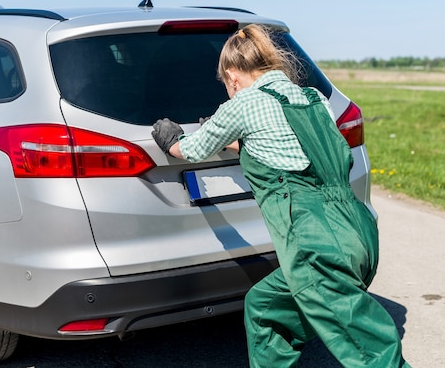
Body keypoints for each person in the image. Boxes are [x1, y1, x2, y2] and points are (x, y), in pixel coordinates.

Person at [151, 24, 409, 367]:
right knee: (265, 309)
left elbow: (191, 149)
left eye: (227, 86)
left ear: (232, 76)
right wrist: (232, 135)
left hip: (313, 244)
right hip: (357, 232)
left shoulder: (243, 103)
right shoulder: (314, 100)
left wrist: (171, 140)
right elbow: (283, 144)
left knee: (374, 354)